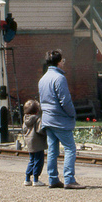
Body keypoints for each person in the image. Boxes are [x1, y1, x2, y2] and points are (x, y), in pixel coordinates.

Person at [38, 49, 85, 189]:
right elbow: (65, 101)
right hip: (60, 120)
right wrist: (72, 114)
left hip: (47, 119)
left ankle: (53, 179)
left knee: (52, 150)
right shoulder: (59, 78)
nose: (64, 63)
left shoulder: (43, 79)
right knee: (70, 148)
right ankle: (69, 179)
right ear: (59, 62)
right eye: (63, 61)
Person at [21, 99, 47, 186]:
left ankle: (27, 178)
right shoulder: (37, 119)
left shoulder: (25, 119)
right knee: (38, 161)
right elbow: (40, 130)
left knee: (31, 160)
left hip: (29, 142)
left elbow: (24, 130)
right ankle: (36, 179)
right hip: (38, 143)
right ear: (37, 111)